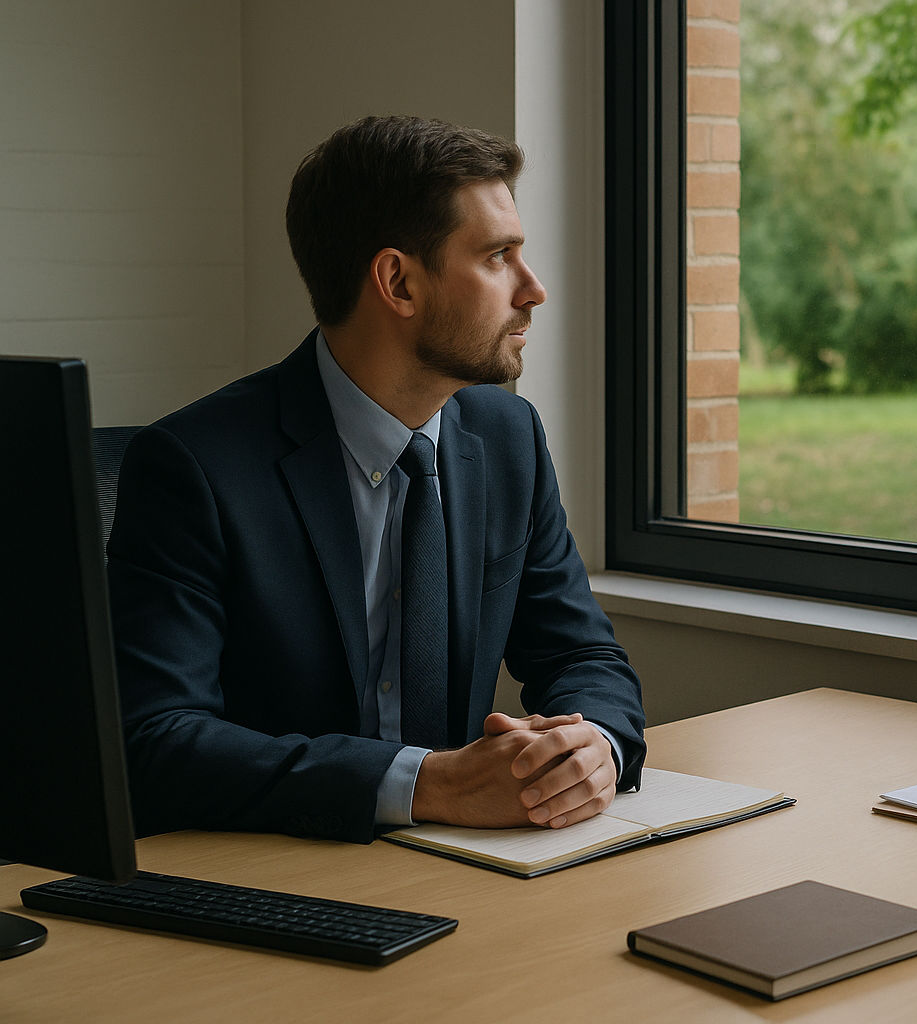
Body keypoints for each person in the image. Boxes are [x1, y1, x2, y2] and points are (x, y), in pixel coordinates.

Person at [108, 116, 645, 844]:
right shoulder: (193, 467)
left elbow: (581, 655)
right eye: (498, 257)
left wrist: (594, 750)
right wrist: (427, 785)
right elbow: (156, 740)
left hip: (468, 868)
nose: (534, 290)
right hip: (278, 874)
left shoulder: (507, 437)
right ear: (397, 281)